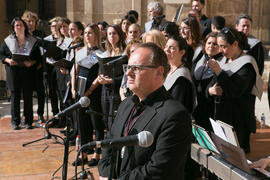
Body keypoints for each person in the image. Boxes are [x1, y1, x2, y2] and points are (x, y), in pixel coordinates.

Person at [98, 43, 192, 180]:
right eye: (128, 67)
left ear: (159, 72)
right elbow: (110, 141)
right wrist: (106, 173)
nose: (128, 73)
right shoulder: (126, 104)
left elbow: (160, 169)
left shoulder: (175, 115)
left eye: (136, 68)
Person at [206, 28, 263, 153]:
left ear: (235, 44)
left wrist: (219, 72)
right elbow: (210, 87)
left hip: (238, 122)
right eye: (219, 46)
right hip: (220, 118)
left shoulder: (247, 64)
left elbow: (235, 91)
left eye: (223, 46)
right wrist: (210, 91)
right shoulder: (222, 59)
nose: (220, 50)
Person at [71, 23, 105, 167]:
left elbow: (100, 75)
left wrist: (89, 91)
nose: (87, 35)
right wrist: (73, 88)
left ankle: (97, 154)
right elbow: (75, 71)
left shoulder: (102, 53)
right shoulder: (80, 51)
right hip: (80, 92)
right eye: (85, 33)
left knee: (96, 123)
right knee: (82, 123)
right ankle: (83, 154)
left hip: (94, 92)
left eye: (90, 33)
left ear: (96, 35)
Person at [0, 17, 41, 130]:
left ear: (24, 26)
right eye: (16, 25)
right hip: (13, 72)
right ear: (13, 28)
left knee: (28, 97)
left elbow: (38, 57)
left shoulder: (32, 41)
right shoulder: (8, 41)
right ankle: (15, 122)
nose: (19, 27)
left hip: (27, 72)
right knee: (15, 97)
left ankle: (28, 121)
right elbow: (1, 55)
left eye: (21, 25)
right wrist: (8, 61)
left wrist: (31, 62)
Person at [192, 32, 223, 131]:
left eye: (215, 44)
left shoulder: (222, 62)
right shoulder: (200, 58)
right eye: (209, 43)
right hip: (197, 105)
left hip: (210, 108)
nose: (211, 46)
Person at [98, 24, 126, 131]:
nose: (111, 36)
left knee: (114, 120)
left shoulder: (124, 53)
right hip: (105, 90)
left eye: (114, 33)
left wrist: (111, 80)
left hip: (117, 91)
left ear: (119, 35)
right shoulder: (106, 53)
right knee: (105, 119)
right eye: (109, 34)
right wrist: (100, 77)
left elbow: (125, 75)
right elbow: (101, 70)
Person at [22, 10, 46, 123]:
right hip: (26, 68)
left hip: (38, 67)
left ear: (35, 23)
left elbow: (45, 51)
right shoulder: (22, 35)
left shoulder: (40, 34)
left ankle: (40, 114)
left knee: (41, 92)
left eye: (32, 21)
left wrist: (40, 63)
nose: (30, 23)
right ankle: (27, 115)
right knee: (27, 93)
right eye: (27, 21)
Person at [164, 36, 194, 113]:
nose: (167, 50)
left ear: (182, 52)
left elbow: (176, 105)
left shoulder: (182, 76)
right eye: (166, 46)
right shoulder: (167, 69)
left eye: (172, 48)